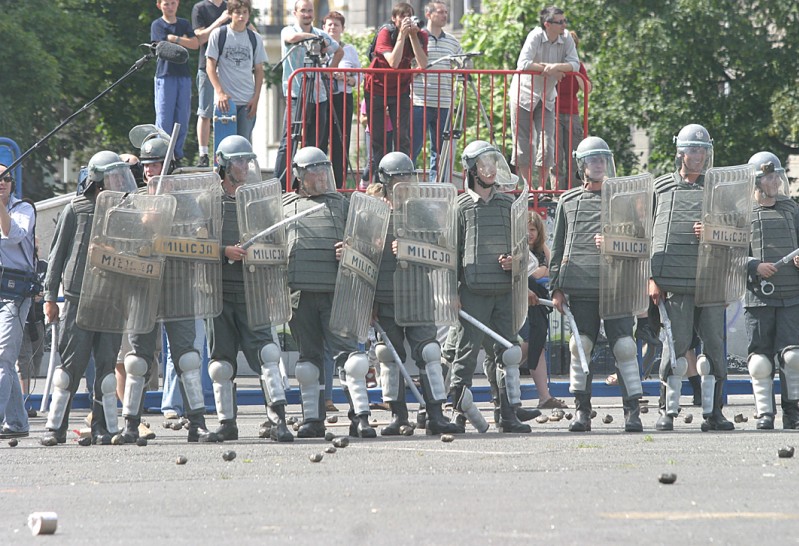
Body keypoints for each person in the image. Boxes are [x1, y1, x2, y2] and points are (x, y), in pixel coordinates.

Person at [549, 136, 644, 433]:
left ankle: (632, 412)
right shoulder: (568, 201)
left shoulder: (623, 200)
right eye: (593, 160)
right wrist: (556, 288)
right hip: (582, 288)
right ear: (582, 166)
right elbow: (558, 247)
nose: (599, 164)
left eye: (602, 159)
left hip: (617, 287)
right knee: (580, 346)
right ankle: (582, 411)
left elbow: (640, 244)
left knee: (625, 347)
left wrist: (615, 243)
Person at [41, 151, 137, 446]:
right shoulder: (74, 209)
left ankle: (103, 428)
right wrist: (50, 297)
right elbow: (56, 257)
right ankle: (55, 428)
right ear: (98, 180)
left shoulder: (125, 212)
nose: (119, 182)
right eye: (113, 177)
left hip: (112, 301)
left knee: (107, 372)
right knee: (69, 369)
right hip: (77, 300)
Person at [283, 146, 376, 438]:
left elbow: (368, 244)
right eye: (314, 171)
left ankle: (360, 416)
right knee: (308, 363)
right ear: (299, 175)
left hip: (337, 294)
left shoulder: (343, 205)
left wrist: (351, 251)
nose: (322, 176)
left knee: (351, 360)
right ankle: (312, 419)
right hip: (299, 296)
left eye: (325, 170)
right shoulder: (283, 207)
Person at [208, 135, 293, 442]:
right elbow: (194, 244)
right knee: (221, 364)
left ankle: (278, 421)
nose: (245, 166)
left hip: (251, 292)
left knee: (268, 355)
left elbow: (275, 244)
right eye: (239, 161)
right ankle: (226, 423)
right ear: (223, 165)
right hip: (217, 294)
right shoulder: (208, 202)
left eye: (247, 160)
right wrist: (223, 251)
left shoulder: (258, 203)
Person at [650, 123, 734, 432]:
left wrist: (713, 232)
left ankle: (714, 413)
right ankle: (667, 411)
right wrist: (652, 278)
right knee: (675, 347)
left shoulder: (719, 190)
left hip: (711, 282)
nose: (698, 155)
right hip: (674, 282)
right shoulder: (661, 188)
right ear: (680, 153)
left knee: (713, 349)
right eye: (692, 150)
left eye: (702, 150)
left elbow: (736, 235)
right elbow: (648, 235)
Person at [370, 152, 461, 436]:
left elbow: (440, 253)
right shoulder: (373, 212)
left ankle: (436, 415)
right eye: (399, 177)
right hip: (386, 297)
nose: (405, 182)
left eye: (408, 176)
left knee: (430, 353)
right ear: (386, 180)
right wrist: (368, 301)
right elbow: (365, 258)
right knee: (388, 355)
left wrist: (411, 248)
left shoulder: (422, 212)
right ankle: (398, 416)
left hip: (419, 294)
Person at [449, 140, 528, 434]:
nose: (491, 169)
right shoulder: (460, 207)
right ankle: (457, 412)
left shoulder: (509, 205)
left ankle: (506, 414)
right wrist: (452, 293)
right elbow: (451, 253)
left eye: (493, 163)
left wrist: (515, 262)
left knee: (507, 353)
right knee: (466, 352)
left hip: (504, 291)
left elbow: (524, 250)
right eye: (484, 165)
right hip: (472, 292)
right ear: (472, 170)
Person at [744, 151, 799, 430]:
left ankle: (793, 412)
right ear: (756, 182)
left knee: (793, 357)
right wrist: (754, 265)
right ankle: (764, 413)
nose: (775, 181)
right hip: (758, 298)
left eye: (777, 176)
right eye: (769, 177)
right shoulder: (741, 213)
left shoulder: (792, 209)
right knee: (760, 361)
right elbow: (727, 255)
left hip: (791, 295)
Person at [273, 0, 342, 186]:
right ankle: (279, 184)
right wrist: (313, 39)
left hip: (319, 95)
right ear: (295, 13)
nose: (307, 14)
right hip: (296, 94)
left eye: (310, 11)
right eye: (303, 11)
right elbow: (292, 38)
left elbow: (338, 50)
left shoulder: (320, 34)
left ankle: (309, 185)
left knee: (315, 143)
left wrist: (328, 70)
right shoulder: (288, 30)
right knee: (289, 141)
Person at [509, 6, 579, 190]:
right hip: (523, 93)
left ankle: (542, 188)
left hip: (546, 96)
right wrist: (551, 70)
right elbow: (523, 63)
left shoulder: (566, 38)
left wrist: (555, 67)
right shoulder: (535, 36)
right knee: (523, 142)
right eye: (560, 22)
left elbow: (575, 65)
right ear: (547, 24)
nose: (564, 25)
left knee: (548, 143)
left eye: (564, 21)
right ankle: (528, 187)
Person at [363, 2, 428, 182]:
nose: (406, 19)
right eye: (402, 16)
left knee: (403, 136)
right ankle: (379, 182)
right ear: (394, 19)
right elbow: (393, 62)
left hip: (400, 89)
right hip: (376, 88)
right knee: (379, 138)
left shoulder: (421, 35)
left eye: (409, 15)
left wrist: (413, 37)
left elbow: (423, 64)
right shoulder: (386, 32)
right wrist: (401, 35)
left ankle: (401, 178)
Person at [0, 165, 37, 439]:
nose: (2, 182)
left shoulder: (24, 209)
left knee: (2, 357)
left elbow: (12, 234)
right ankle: (18, 423)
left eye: (6, 178)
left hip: (15, 291)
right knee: (6, 360)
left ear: (12, 183)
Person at [410, 1, 463, 181]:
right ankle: (407, 184)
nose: (444, 15)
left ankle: (437, 186)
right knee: (414, 147)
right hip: (420, 101)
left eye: (446, 12)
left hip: (444, 102)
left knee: (440, 150)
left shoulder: (452, 41)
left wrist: (460, 68)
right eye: (440, 12)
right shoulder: (418, 37)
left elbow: (463, 64)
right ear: (428, 14)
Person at [524, 210, 567, 409]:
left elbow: (553, 266)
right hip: (522, 304)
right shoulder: (518, 249)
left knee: (537, 345)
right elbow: (533, 273)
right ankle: (497, 375)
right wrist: (542, 271)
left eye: (533, 229)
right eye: (526, 229)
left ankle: (544, 396)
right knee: (523, 347)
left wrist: (543, 270)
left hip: (538, 304)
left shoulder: (542, 249)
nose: (529, 234)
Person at [206, 0, 266, 142]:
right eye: (238, 12)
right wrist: (220, 93)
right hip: (226, 102)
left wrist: (256, 98)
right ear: (230, 14)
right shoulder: (219, 34)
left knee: (243, 145)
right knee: (224, 145)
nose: (241, 16)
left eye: (245, 12)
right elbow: (210, 66)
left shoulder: (255, 38)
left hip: (247, 101)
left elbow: (259, 70)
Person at [151, 0, 199, 165]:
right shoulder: (157, 25)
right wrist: (182, 42)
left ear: (177, 4)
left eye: (173, 3)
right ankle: (163, 153)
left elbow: (195, 43)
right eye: (166, 4)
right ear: (159, 5)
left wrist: (175, 39)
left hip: (183, 75)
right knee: (164, 117)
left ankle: (177, 155)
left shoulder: (184, 24)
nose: (170, 7)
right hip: (165, 75)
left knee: (182, 118)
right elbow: (161, 48)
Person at [323, 11, 360, 189]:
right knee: (320, 139)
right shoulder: (318, 48)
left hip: (343, 97)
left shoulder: (349, 50)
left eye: (336, 25)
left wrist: (345, 78)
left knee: (340, 141)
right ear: (323, 28)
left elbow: (359, 77)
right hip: (322, 97)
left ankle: (338, 185)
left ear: (342, 29)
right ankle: (319, 183)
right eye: (329, 24)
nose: (333, 28)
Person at [192, 0, 230, 167]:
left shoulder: (231, 6)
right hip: (207, 66)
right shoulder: (200, 8)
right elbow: (200, 38)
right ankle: (203, 154)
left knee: (227, 111)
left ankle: (227, 153)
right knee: (205, 111)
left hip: (229, 68)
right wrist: (220, 20)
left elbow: (248, 28)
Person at [552, 30, 590, 190]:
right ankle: (556, 192)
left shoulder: (577, 66)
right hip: (553, 112)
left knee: (575, 155)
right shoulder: (553, 64)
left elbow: (587, 88)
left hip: (571, 113)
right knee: (556, 157)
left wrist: (575, 72)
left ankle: (574, 191)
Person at [16, 239, 46, 419]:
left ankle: (30, 397)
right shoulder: (17, 264)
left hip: (38, 318)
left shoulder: (43, 266)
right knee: (24, 360)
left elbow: (50, 285)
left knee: (38, 356)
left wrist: (43, 295)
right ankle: (24, 400)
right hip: (21, 317)